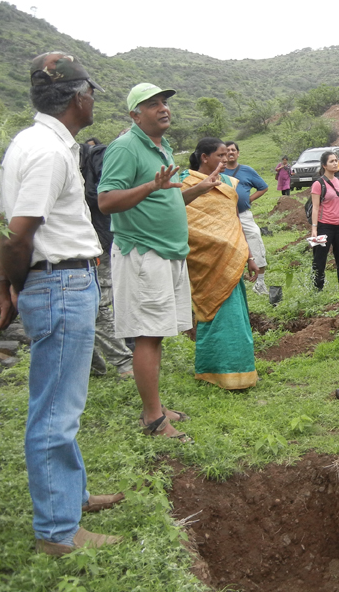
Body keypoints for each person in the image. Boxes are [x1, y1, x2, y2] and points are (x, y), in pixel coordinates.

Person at [0, 52, 123, 555]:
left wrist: (4, 285)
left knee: (62, 400)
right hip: (61, 283)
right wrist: (13, 283)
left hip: (56, 281)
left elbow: (3, 226)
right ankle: (57, 531)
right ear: (77, 95)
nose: (93, 101)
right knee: (54, 411)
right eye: (90, 91)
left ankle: (73, 495)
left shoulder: (32, 142)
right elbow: (19, 235)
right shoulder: (46, 151)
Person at [98, 82, 220, 441]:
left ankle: (156, 406)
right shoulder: (125, 148)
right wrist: (150, 187)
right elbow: (106, 201)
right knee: (148, 336)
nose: (163, 108)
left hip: (167, 252)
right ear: (135, 114)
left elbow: (169, 200)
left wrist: (200, 188)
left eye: (164, 102)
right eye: (152, 104)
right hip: (142, 253)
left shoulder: (162, 148)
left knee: (157, 333)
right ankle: (153, 418)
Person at [181, 139, 258, 389]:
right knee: (211, 314)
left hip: (232, 260)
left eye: (227, 155)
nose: (225, 160)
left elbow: (234, 221)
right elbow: (182, 221)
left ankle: (240, 370)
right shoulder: (186, 183)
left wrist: (249, 256)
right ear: (204, 157)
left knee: (234, 316)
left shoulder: (229, 184)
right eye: (220, 155)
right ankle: (213, 370)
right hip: (204, 261)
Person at [79, 137, 135, 378]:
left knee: (100, 302)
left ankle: (122, 361)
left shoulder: (95, 156)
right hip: (77, 244)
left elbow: (105, 194)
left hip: (100, 240)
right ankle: (93, 364)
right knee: (84, 304)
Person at [224, 142, 269, 295]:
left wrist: (249, 199)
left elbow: (263, 187)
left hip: (244, 215)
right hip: (224, 217)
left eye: (233, 150)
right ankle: (229, 283)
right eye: (227, 150)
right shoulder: (218, 171)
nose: (230, 152)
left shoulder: (247, 170)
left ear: (238, 153)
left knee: (255, 237)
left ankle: (260, 282)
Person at [311, 151, 339, 290]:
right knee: (319, 259)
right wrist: (314, 229)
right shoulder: (318, 184)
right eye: (331, 161)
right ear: (324, 165)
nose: (335, 163)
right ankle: (317, 288)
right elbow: (315, 208)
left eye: (336, 160)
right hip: (324, 226)